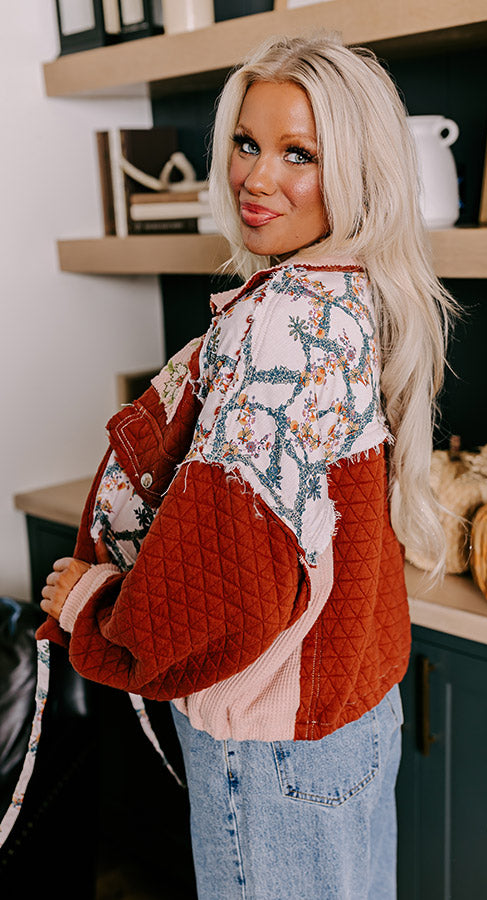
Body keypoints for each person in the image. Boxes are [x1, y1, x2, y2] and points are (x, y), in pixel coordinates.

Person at [39, 33, 455, 900]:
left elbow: (227, 584)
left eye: (300, 153)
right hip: (353, 712)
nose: (257, 178)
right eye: (246, 143)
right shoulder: (350, 294)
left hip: (276, 751)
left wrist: (93, 609)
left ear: (357, 172)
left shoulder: (277, 327)